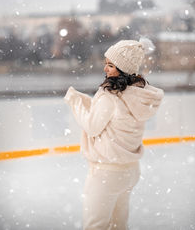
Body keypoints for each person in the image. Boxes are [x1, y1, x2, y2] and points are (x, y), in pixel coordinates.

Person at [64, 39, 164, 230]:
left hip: (107, 174)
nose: (105, 69)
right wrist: (89, 102)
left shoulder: (109, 96)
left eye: (110, 65)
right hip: (130, 172)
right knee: (119, 226)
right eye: (106, 63)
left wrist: (75, 101)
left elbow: (92, 126)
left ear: (123, 68)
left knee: (95, 226)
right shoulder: (137, 94)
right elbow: (112, 118)